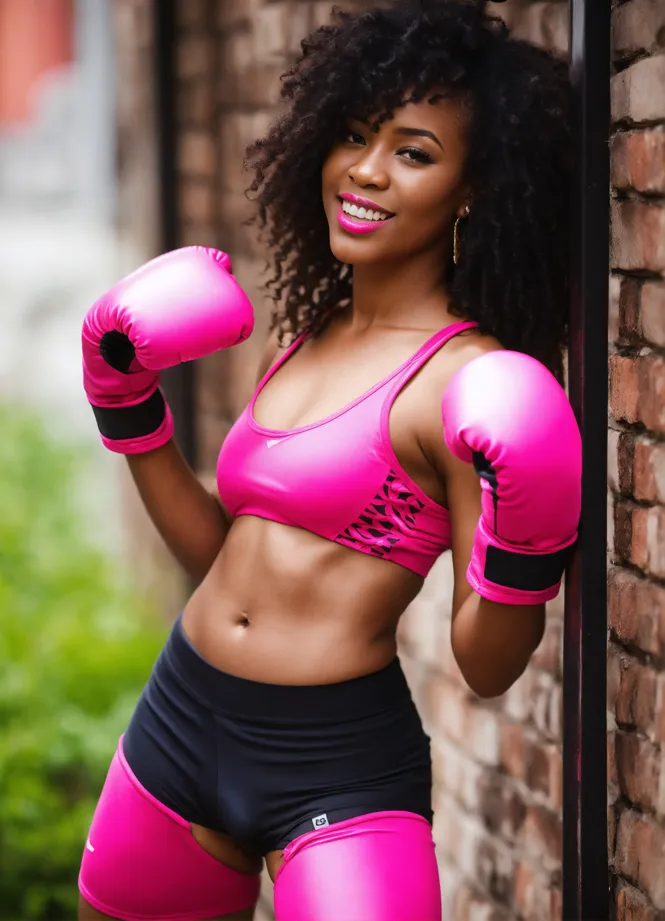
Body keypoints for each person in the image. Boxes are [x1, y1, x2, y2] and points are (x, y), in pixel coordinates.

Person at [77, 1, 581, 919]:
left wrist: (522, 559)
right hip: (180, 719)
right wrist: (130, 412)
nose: (365, 170)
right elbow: (228, 558)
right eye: (354, 134)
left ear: (472, 187)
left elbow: (488, 663)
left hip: (334, 762)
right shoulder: (310, 335)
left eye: (414, 151)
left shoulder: (467, 381)